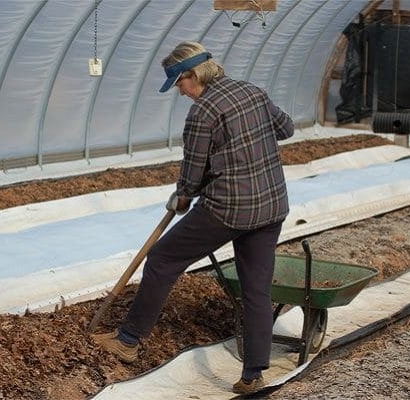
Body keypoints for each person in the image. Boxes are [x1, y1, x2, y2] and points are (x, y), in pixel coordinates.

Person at [91, 41, 294, 395]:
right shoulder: (254, 92)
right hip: (271, 206)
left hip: (228, 208)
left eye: (179, 85)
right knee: (256, 290)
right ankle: (252, 375)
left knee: (163, 258)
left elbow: (193, 171)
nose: (180, 93)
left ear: (192, 75)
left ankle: (128, 341)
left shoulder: (202, 113)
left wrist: (182, 195)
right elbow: (286, 128)